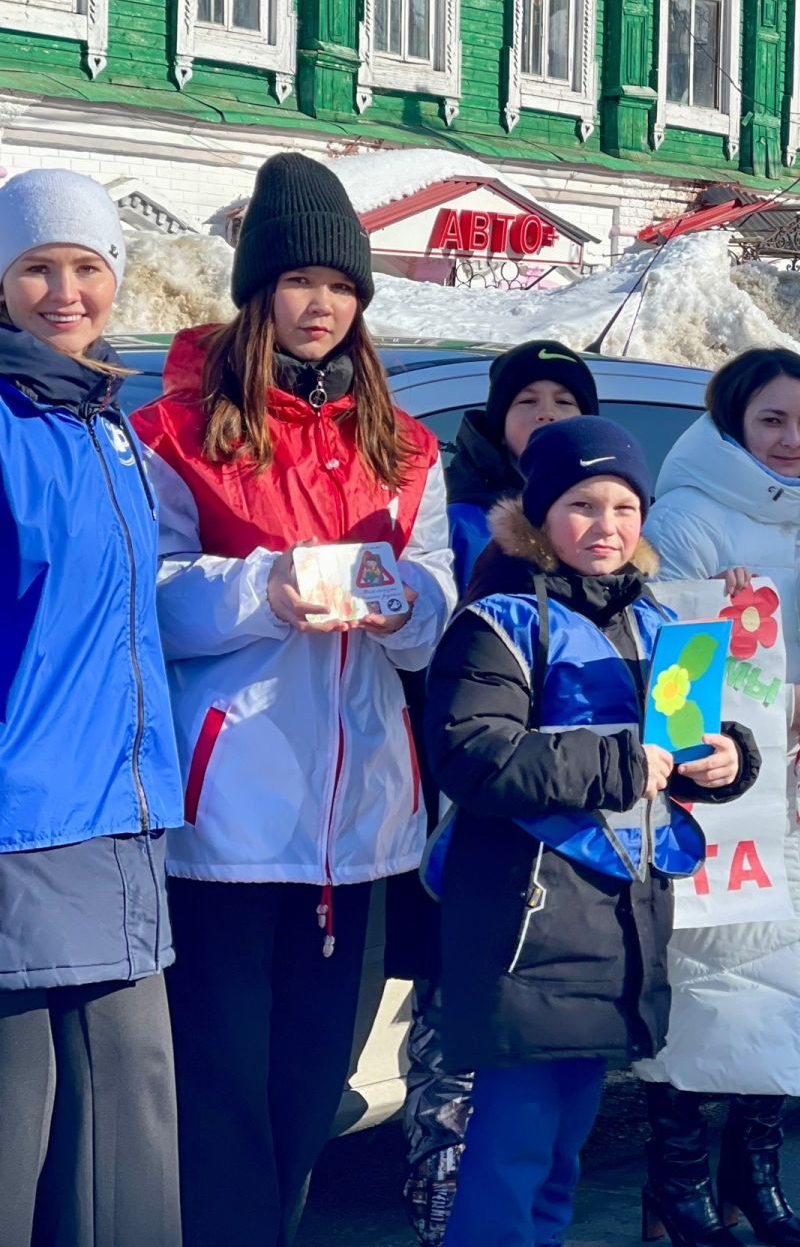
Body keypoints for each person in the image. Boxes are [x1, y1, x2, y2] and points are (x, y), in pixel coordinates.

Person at [131, 153, 457, 1247]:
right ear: (260, 290)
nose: (323, 304)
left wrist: (406, 598)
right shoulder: (174, 431)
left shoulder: (404, 447)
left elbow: (439, 606)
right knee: (218, 1097)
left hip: (360, 829)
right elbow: (153, 605)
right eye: (302, 281)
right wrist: (263, 587)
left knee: (314, 1094)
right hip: (224, 823)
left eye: (343, 285)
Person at [423, 416, 759, 1247]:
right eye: (580, 505)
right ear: (539, 517)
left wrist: (727, 761)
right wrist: (616, 764)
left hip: (619, 924)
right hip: (526, 926)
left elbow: (677, 745)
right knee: (510, 1150)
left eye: (622, 506)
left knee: (561, 1152)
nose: (605, 526)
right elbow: (473, 756)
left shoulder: (656, 624)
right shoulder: (499, 624)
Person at [640, 348, 800, 1247]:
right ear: (731, 425)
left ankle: (754, 1177)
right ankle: (674, 1187)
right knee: (715, 984)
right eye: (772, 421)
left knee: (792, 984)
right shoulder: (688, 521)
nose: (793, 440)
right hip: (726, 790)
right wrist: (777, 703)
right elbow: (672, 679)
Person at [0, 170, 186, 1247]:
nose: (64, 290)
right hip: (25, 821)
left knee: (129, 1125)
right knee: (17, 1125)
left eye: (85, 267)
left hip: (121, 813)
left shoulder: (109, 427)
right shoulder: (12, 424)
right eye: (36, 268)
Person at [398, 337, 599, 1243]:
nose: (549, 418)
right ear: (496, 416)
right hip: (472, 837)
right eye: (530, 402)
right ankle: (445, 1212)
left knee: (546, 1128)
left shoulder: (621, 572)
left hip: (584, 881)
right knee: (472, 1077)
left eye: (568, 401)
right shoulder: (473, 532)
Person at [445, 339, 599, 584]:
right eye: (527, 401)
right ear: (501, 427)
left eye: (564, 402)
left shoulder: (613, 515)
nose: (547, 413)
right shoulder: (457, 516)